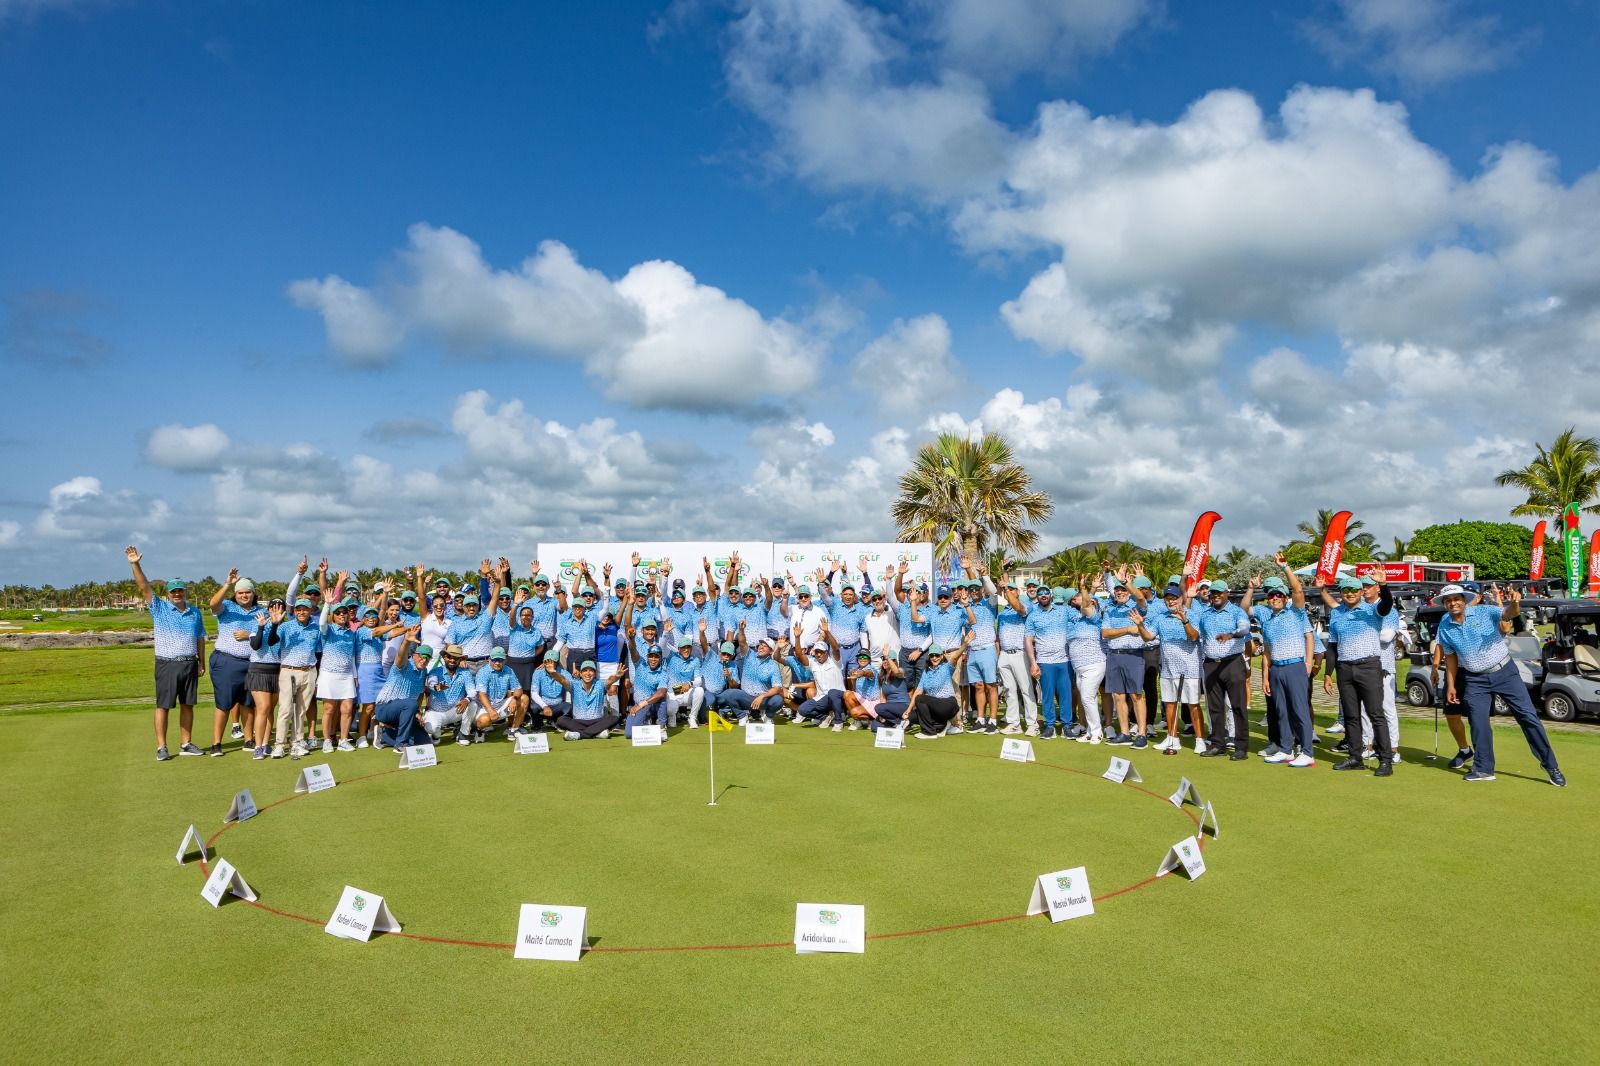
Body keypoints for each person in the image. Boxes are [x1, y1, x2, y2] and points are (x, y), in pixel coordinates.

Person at [1436, 584, 1565, 786]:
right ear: (1444, 604)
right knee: (1478, 723)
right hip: (1475, 679)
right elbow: (1450, 657)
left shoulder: (1483, 612)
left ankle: (1550, 765)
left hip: (1505, 673)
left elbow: (1507, 614)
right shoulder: (1445, 624)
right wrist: (1451, 685)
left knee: (1528, 717)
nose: (1453, 603)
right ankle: (1484, 768)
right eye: (1448, 601)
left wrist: (1515, 603)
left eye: (1456, 599)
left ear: (1464, 600)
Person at [125, 546, 206, 761]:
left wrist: (201, 662)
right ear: (168, 594)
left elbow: (200, 638)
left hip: (189, 663)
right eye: (173, 592)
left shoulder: (194, 612)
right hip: (166, 664)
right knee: (163, 706)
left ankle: (186, 744)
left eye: (180, 591)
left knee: (188, 705)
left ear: (185, 592)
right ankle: (161, 747)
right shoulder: (159, 608)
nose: (177, 594)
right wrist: (135, 564)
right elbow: (144, 588)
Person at [1317, 572, 1394, 776]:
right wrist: (1327, 674)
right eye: (1346, 591)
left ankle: (1385, 760)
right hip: (1344, 668)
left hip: (1368, 666)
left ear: (1361, 592)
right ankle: (1355, 757)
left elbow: (1386, 604)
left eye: (1354, 590)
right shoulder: (1336, 613)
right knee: (1351, 716)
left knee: (1375, 713)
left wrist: (1384, 584)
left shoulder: (1372, 609)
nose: (1350, 594)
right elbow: (1332, 646)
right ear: (1341, 593)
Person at [1242, 558, 1316, 767]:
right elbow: (1245, 610)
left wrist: (1285, 567)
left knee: (1299, 710)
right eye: (1271, 596)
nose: (1274, 598)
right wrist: (1265, 676)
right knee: (1281, 711)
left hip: (1294, 666)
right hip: (1276, 669)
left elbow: (1298, 589)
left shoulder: (1295, 612)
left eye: (1278, 595)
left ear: (1285, 598)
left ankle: (1307, 752)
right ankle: (1285, 749)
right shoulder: (1267, 619)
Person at [1194, 579, 1251, 762]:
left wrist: (1231, 634)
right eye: (1213, 593)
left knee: (1237, 706)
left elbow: (1244, 628)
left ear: (1227, 593)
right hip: (1211, 664)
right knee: (1214, 707)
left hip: (1232, 663)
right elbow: (1201, 635)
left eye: (1219, 592)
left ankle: (1241, 747)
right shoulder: (1205, 614)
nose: (1216, 595)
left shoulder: (1236, 611)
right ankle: (1218, 744)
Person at [1144, 583, 1204, 753]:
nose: (1170, 602)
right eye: (1167, 599)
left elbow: (1194, 637)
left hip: (1189, 669)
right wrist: (1140, 625)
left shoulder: (1191, 614)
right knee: (1170, 704)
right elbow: (1149, 636)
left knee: (1193, 704)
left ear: (1181, 598)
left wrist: (1184, 621)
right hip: (1168, 669)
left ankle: (1200, 740)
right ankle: (1172, 738)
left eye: (1174, 598)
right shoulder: (1161, 617)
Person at [207, 568, 259, 753]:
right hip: (226, 661)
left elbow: (265, 634)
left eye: (248, 592)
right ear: (235, 594)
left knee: (248, 703)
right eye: (241, 593)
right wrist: (228, 584)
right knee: (224, 703)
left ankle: (248, 740)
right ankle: (216, 744)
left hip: (251, 663)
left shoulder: (260, 612)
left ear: (253, 594)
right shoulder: (227, 608)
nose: (244, 596)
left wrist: (249, 634)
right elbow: (213, 604)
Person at [271, 591, 323, 760]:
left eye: (305, 609)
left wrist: (319, 676)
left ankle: (297, 742)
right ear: (295, 611)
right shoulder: (286, 626)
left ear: (310, 611)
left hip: (309, 671)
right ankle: (279, 745)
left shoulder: (316, 628)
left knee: (301, 710)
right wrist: (274, 625)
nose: (301, 612)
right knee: (285, 709)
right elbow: (272, 641)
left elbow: (319, 652)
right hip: (289, 670)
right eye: (298, 609)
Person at [1099, 574, 1149, 747]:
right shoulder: (1110, 609)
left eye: (1123, 590)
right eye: (1117, 590)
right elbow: (1105, 633)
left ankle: (1142, 734)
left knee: (1136, 695)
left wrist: (1126, 582)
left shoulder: (1136, 607)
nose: (1120, 593)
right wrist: (1128, 629)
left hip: (1133, 655)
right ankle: (1125, 733)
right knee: (1118, 696)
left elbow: (1141, 597)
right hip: (1114, 655)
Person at [371, 628, 434, 749]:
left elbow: (419, 695)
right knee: (410, 704)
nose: (424, 659)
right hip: (384, 708)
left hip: (405, 711)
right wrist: (406, 641)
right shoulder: (405, 664)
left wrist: (417, 713)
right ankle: (401, 744)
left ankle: (383, 735)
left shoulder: (423, 671)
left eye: (428, 657)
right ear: (414, 655)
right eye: (422, 655)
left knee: (424, 742)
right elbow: (400, 656)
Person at [1024, 585, 1072, 739]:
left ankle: (1066, 726)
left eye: (1045, 592)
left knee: (1065, 694)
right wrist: (1033, 662)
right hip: (1044, 661)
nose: (1043, 595)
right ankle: (1049, 726)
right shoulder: (1033, 616)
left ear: (1050, 595)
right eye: (1040, 593)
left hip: (1064, 660)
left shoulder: (1063, 611)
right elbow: (1028, 639)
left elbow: (1081, 613)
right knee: (1047, 696)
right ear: (1037, 596)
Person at [996, 579, 1037, 736]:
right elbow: (998, 636)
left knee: (1026, 690)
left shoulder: (1027, 607)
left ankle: (1032, 724)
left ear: (1017, 592)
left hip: (1020, 654)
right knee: (1010, 691)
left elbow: (1018, 607)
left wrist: (1005, 588)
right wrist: (999, 655)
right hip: (1005, 655)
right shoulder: (1002, 613)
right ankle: (1014, 724)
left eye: (1012, 589)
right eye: (1007, 590)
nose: (1009, 592)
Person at [245, 599, 285, 759]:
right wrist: (262, 626)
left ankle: (266, 743)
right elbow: (256, 644)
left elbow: (272, 640)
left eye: (279, 607)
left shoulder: (283, 627)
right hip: (258, 669)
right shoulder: (257, 622)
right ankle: (258, 746)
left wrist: (275, 625)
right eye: (273, 607)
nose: (276, 610)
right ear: (268, 608)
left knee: (269, 710)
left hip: (275, 671)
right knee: (263, 707)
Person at [422, 644, 479, 744]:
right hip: (436, 712)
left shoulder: (465, 673)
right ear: (444, 657)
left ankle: (463, 734)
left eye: (456, 658)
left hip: (455, 710)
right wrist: (437, 687)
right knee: (431, 728)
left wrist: (466, 699)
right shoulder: (435, 671)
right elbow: (431, 684)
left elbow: (472, 690)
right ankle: (436, 735)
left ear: (460, 660)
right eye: (449, 657)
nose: (452, 660)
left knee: (472, 704)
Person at [909, 644, 968, 738]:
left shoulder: (946, 667)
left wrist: (965, 644)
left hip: (949, 704)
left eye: (937, 655)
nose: (934, 658)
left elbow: (956, 657)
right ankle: (941, 725)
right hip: (936, 708)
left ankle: (929, 732)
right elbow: (918, 691)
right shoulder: (926, 672)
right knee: (911, 716)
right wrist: (908, 710)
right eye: (932, 655)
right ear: (929, 657)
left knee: (920, 699)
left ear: (941, 656)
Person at [554, 660, 624, 739]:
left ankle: (579, 735)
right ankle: (597, 733)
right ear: (580, 673)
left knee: (614, 718)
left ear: (594, 674)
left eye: (591, 670)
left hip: (598, 721)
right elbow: (562, 680)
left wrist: (616, 677)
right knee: (560, 720)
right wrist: (553, 672)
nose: (588, 673)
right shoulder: (574, 684)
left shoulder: (600, 684)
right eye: (585, 670)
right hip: (578, 722)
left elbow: (610, 680)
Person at [795, 632, 847, 730]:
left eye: (821, 652)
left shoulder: (835, 661)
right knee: (802, 710)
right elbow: (799, 655)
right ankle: (825, 718)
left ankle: (838, 722)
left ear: (827, 653)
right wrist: (797, 637)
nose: (819, 654)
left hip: (839, 696)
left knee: (832, 692)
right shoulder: (812, 663)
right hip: (823, 698)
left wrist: (827, 632)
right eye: (816, 652)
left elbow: (836, 648)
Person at [472, 648, 525, 740]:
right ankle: (479, 730)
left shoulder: (509, 670)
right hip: (484, 708)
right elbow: (481, 694)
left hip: (500, 705)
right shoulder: (483, 672)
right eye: (494, 660)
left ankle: (513, 730)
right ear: (489, 659)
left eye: (500, 660)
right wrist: (491, 710)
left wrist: (515, 698)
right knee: (484, 720)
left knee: (524, 698)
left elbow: (518, 688)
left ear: (505, 660)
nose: (497, 663)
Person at [523, 651, 573, 733]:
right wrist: (544, 706)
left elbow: (571, 688)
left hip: (558, 704)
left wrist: (554, 673)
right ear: (543, 662)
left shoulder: (564, 673)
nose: (549, 664)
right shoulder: (538, 672)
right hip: (542, 704)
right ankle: (537, 726)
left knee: (569, 707)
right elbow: (534, 693)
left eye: (551, 662)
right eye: (546, 661)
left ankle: (557, 722)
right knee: (533, 707)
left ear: (556, 662)